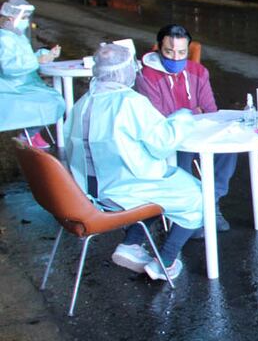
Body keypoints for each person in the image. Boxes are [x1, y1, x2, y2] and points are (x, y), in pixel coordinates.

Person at [65, 43, 203, 281]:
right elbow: (163, 144)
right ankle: (165, 261)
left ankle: (131, 244)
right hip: (123, 191)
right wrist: (182, 118)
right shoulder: (130, 102)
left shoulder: (83, 102)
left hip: (87, 192)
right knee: (198, 195)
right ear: (126, 70)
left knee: (163, 192)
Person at [135, 24, 236, 231]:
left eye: (181, 52)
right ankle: (187, 210)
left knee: (228, 148)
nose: (175, 58)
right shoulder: (147, 76)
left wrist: (183, 114)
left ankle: (209, 202)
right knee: (182, 153)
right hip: (167, 137)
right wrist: (193, 111)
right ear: (158, 49)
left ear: (187, 50)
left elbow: (210, 110)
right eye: (169, 52)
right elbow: (159, 117)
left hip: (197, 132)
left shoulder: (198, 71)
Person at [0, 0, 64, 147]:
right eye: (23, 18)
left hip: (25, 84)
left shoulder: (17, 36)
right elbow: (9, 68)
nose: (26, 21)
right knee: (52, 101)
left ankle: (32, 134)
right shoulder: (3, 39)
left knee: (54, 98)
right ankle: (27, 135)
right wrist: (38, 60)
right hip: (12, 87)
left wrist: (46, 55)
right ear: (10, 17)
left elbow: (25, 58)